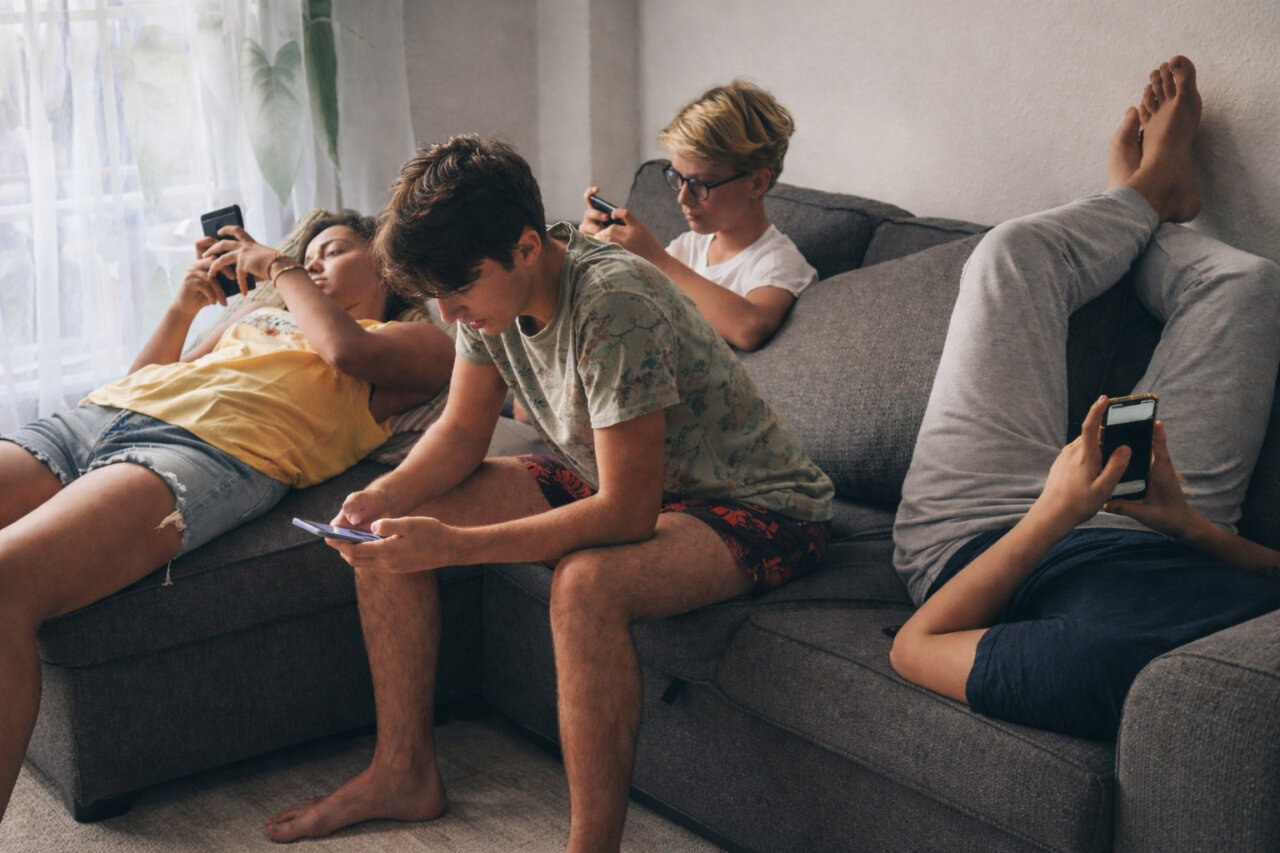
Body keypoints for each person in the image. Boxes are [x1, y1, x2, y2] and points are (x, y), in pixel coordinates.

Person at [263, 135, 834, 850]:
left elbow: (626, 515)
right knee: (390, 527)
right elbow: (463, 431)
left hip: (758, 506)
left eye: (458, 289)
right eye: (435, 294)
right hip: (624, 480)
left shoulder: (611, 302)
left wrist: (455, 547)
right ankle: (403, 771)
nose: (446, 312)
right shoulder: (485, 300)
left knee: (585, 585)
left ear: (528, 246)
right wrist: (383, 494)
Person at [0, 209, 455, 820]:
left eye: (336, 251)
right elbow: (152, 379)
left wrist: (279, 264)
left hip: (204, 452)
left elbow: (343, 351)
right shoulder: (259, 315)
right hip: (97, 419)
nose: (315, 261)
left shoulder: (413, 339)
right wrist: (185, 308)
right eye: (309, 254)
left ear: (388, 269)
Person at [888, 56, 1280, 740]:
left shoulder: (1098, 671)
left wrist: (1057, 512)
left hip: (980, 536)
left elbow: (913, 646)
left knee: (1012, 254)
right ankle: (1144, 207)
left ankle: (1137, 200)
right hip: (1174, 529)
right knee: (1249, 285)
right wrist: (1189, 525)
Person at [580, 79, 817, 352]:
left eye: (700, 183)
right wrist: (596, 251)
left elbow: (749, 328)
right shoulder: (687, 247)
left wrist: (657, 259)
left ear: (756, 183)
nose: (683, 197)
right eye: (677, 178)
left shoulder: (778, 262)